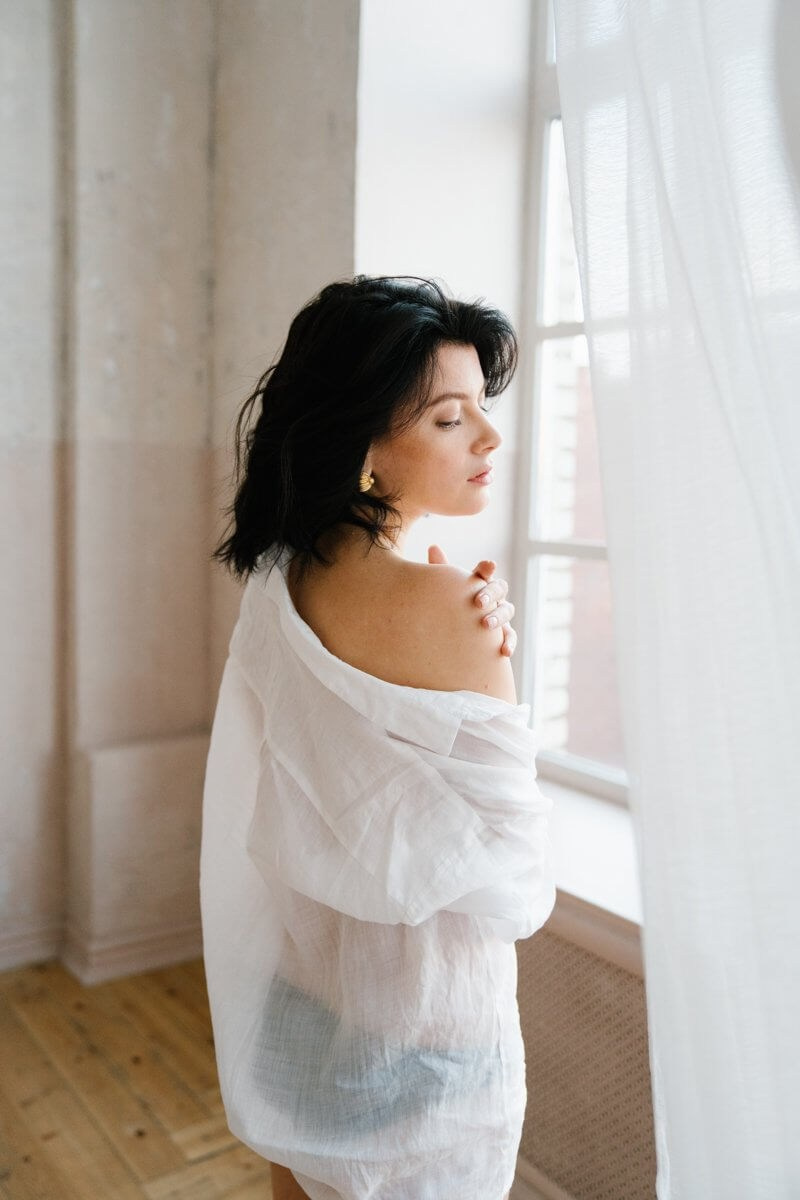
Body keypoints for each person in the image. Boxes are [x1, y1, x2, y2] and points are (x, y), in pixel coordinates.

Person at [200, 275, 556, 1200]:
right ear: (366, 437)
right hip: (427, 1036)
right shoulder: (458, 606)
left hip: (306, 994)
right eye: (449, 419)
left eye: (484, 408)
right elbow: (514, 886)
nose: (490, 437)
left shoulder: (279, 580)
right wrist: (460, 624)